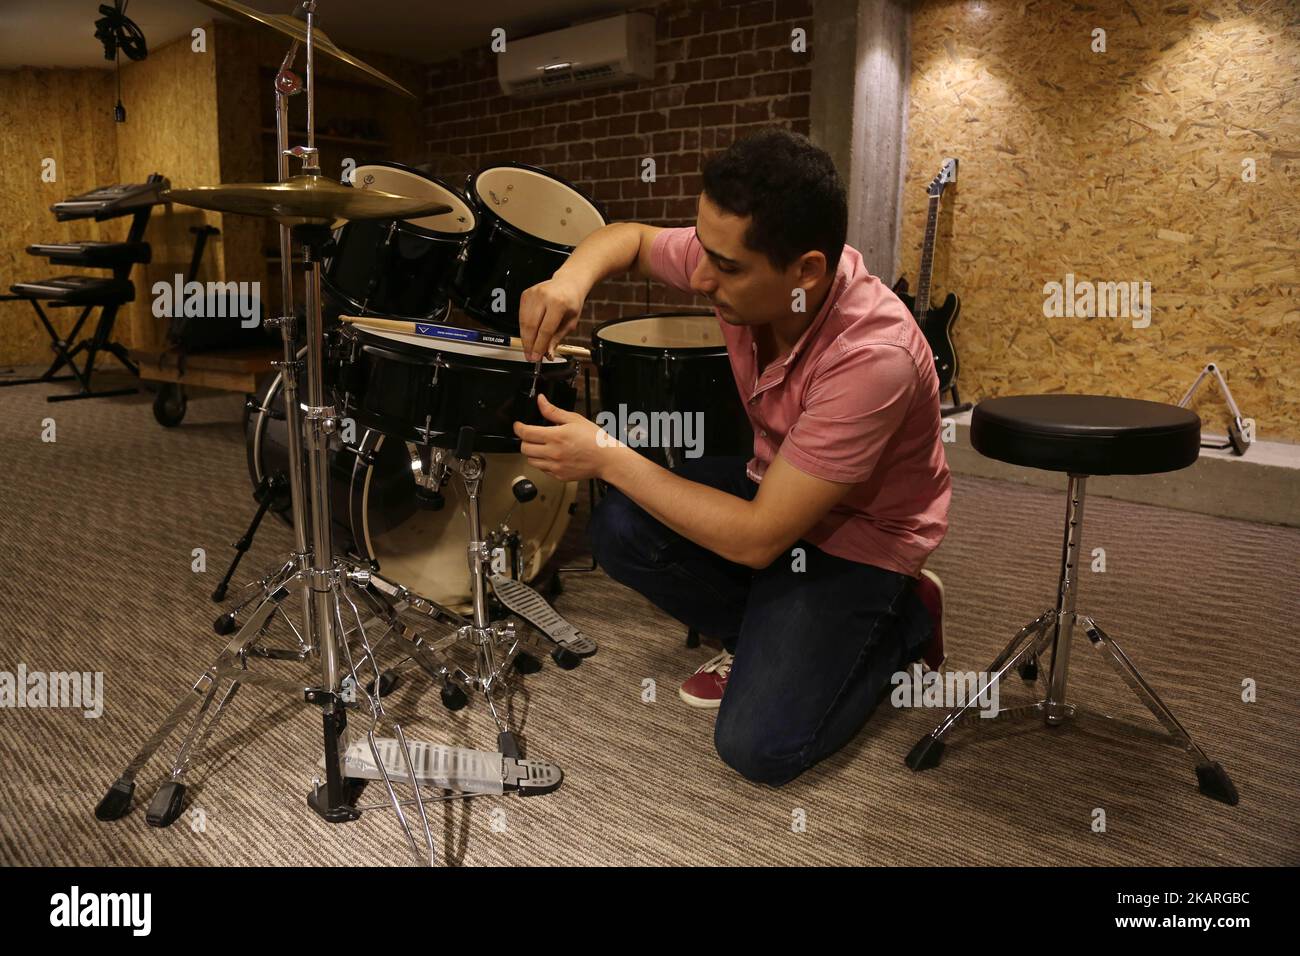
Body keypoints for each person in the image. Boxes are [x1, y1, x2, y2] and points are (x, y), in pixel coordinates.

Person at [512, 127, 950, 786]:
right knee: (620, 527)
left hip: (860, 539)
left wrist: (603, 453)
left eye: (728, 268)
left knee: (758, 747)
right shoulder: (740, 251)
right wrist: (569, 281)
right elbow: (628, 238)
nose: (698, 276)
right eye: (702, 248)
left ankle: (902, 623)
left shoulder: (873, 359)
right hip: (776, 488)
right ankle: (768, 630)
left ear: (805, 271)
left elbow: (756, 539)